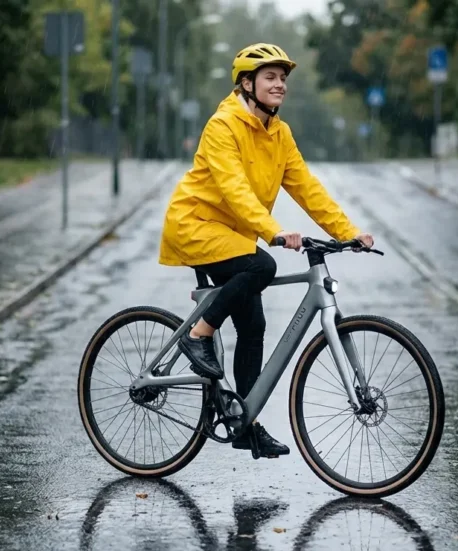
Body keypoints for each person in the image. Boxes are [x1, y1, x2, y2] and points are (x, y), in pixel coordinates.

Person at [157, 42, 374, 459]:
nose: (280, 85)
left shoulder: (280, 134)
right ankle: (199, 336)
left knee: (253, 325)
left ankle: (244, 422)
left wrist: (349, 232)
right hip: (196, 227)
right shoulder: (224, 126)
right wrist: (274, 231)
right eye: (271, 77)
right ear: (247, 82)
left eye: (283, 78)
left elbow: (308, 189)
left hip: (234, 236)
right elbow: (234, 191)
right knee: (262, 266)